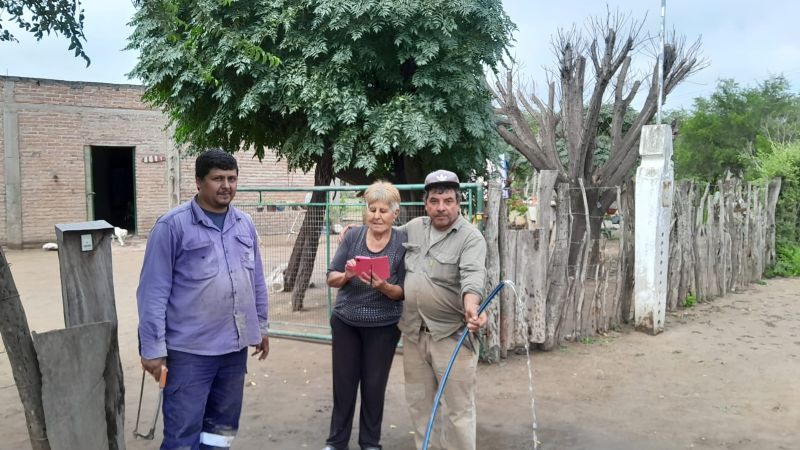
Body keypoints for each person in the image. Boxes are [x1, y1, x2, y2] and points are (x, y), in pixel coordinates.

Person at [137, 149, 269, 450]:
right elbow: (152, 293)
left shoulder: (244, 224)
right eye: (217, 178)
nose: (227, 186)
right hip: (189, 354)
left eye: (232, 179)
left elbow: (255, 280)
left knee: (220, 432)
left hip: (233, 351)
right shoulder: (172, 227)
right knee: (183, 434)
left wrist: (260, 326)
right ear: (198, 182)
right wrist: (152, 349)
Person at [398, 169, 487, 450]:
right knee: (420, 407)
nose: (441, 208)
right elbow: (383, 235)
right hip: (413, 335)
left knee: (458, 410)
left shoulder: (470, 237)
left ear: (458, 203)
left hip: (452, 336)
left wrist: (472, 309)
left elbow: (472, 278)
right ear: (426, 203)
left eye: (448, 200)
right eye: (435, 201)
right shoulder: (413, 228)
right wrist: (356, 232)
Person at [323, 181, 407, 450]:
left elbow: (402, 292)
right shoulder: (352, 237)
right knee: (344, 385)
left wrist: (382, 285)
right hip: (347, 322)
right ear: (365, 211)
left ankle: (370, 443)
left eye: (384, 210)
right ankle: (336, 442)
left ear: (395, 214)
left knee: (374, 386)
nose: (377, 216)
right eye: (372, 209)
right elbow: (331, 277)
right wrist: (347, 274)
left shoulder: (403, 242)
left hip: (384, 325)